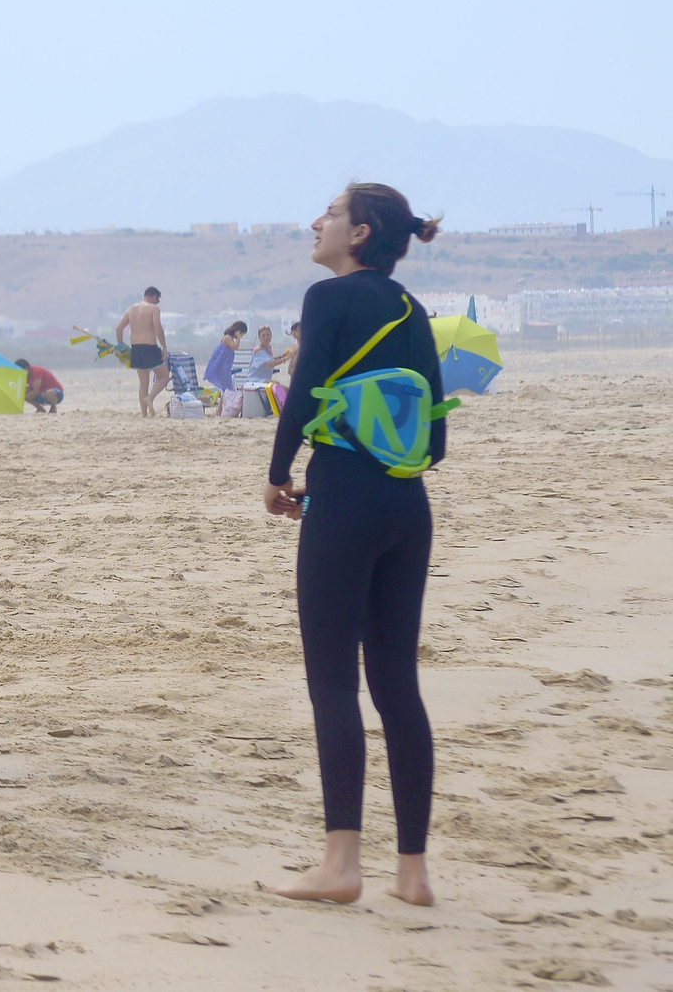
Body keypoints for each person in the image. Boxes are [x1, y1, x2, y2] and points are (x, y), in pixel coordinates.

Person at [263, 182, 446, 907]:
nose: (317, 222)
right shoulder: (412, 310)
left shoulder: (328, 300)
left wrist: (280, 474)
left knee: (334, 681)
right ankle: (413, 874)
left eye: (331, 214)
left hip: (342, 500)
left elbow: (305, 392)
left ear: (360, 233)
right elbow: (434, 437)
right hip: (409, 505)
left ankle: (341, 865)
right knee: (398, 685)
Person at [115, 287, 168, 415]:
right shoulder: (154, 308)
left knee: (143, 383)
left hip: (136, 348)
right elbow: (158, 328)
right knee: (164, 376)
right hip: (149, 347)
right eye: (157, 300)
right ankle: (150, 398)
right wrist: (164, 347)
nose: (157, 302)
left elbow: (119, 329)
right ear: (154, 297)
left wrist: (120, 345)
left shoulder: (131, 309)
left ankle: (144, 414)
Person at [203, 320, 247, 412]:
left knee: (226, 391)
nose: (241, 336)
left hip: (225, 367)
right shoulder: (227, 337)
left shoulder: (230, 338)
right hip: (222, 368)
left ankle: (219, 411)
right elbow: (235, 347)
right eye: (241, 333)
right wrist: (238, 337)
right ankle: (219, 411)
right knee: (227, 390)